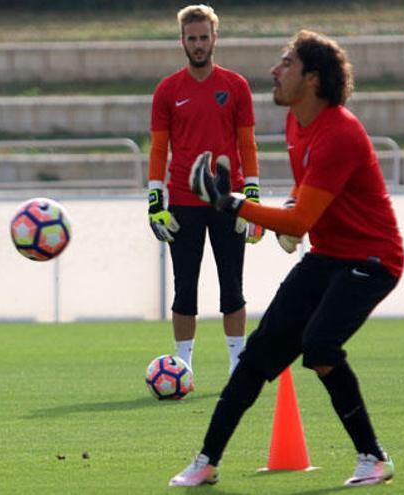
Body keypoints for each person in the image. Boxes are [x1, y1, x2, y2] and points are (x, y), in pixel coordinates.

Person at [169, 30, 404, 488]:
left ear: (312, 79)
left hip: (373, 261)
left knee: (319, 345)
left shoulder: (340, 132)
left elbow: (298, 223)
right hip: (329, 256)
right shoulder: (297, 123)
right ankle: (207, 461)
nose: (275, 72)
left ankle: (373, 458)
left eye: (286, 64)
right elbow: (305, 198)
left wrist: (231, 203)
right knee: (256, 357)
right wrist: (290, 209)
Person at [147, 4, 265, 376]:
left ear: (215, 38)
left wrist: (253, 198)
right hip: (182, 200)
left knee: (232, 286)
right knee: (184, 290)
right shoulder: (167, 90)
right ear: (182, 40)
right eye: (191, 38)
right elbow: (158, 149)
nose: (198, 44)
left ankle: (237, 366)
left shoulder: (236, 86)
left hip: (228, 200)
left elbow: (248, 145)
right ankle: (183, 366)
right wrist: (155, 202)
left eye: (204, 37)